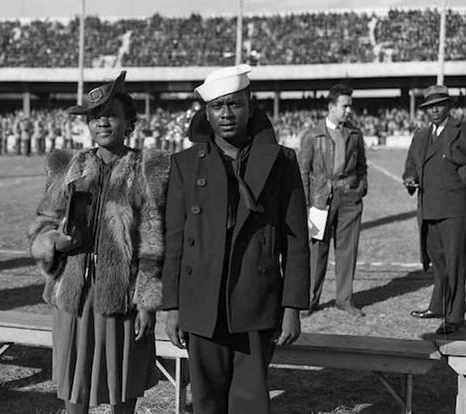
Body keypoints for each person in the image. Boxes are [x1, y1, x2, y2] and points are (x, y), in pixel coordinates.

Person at [162, 64, 310, 414]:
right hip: (201, 303)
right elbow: (175, 241)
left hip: (257, 302)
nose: (226, 114)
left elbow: (296, 241)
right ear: (207, 114)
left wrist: (292, 309)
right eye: (217, 106)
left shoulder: (282, 161)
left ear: (250, 105)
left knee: (250, 403)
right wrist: (172, 308)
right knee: (206, 402)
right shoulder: (184, 164)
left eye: (234, 104)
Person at [28, 71, 169, 414]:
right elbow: (43, 223)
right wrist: (53, 242)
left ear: (129, 122)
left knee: (123, 381)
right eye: (95, 117)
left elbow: (153, 240)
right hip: (74, 295)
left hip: (122, 296)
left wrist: (147, 302)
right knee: (74, 383)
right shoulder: (69, 167)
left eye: (111, 115)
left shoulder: (146, 169)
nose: (102, 123)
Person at [298, 83, 368, 317]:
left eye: (350, 106)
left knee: (347, 251)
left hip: (349, 198)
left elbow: (362, 166)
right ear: (331, 106)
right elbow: (302, 172)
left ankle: (344, 299)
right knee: (316, 251)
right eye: (344, 105)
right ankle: (309, 300)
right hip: (320, 200)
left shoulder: (355, 134)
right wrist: (307, 204)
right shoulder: (311, 135)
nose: (349, 110)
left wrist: (360, 188)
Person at [404, 85, 466, 335]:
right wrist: (409, 178)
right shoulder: (420, 136)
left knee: (455, 263)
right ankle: (438, 306)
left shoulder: (461, 131)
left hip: (454, 207)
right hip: (428, 207)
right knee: (438, 262)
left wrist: (461, 180)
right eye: (430, 107)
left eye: (439, 104)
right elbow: (410, 165)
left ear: (449, 106)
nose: (434, 110)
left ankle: (454, 315)